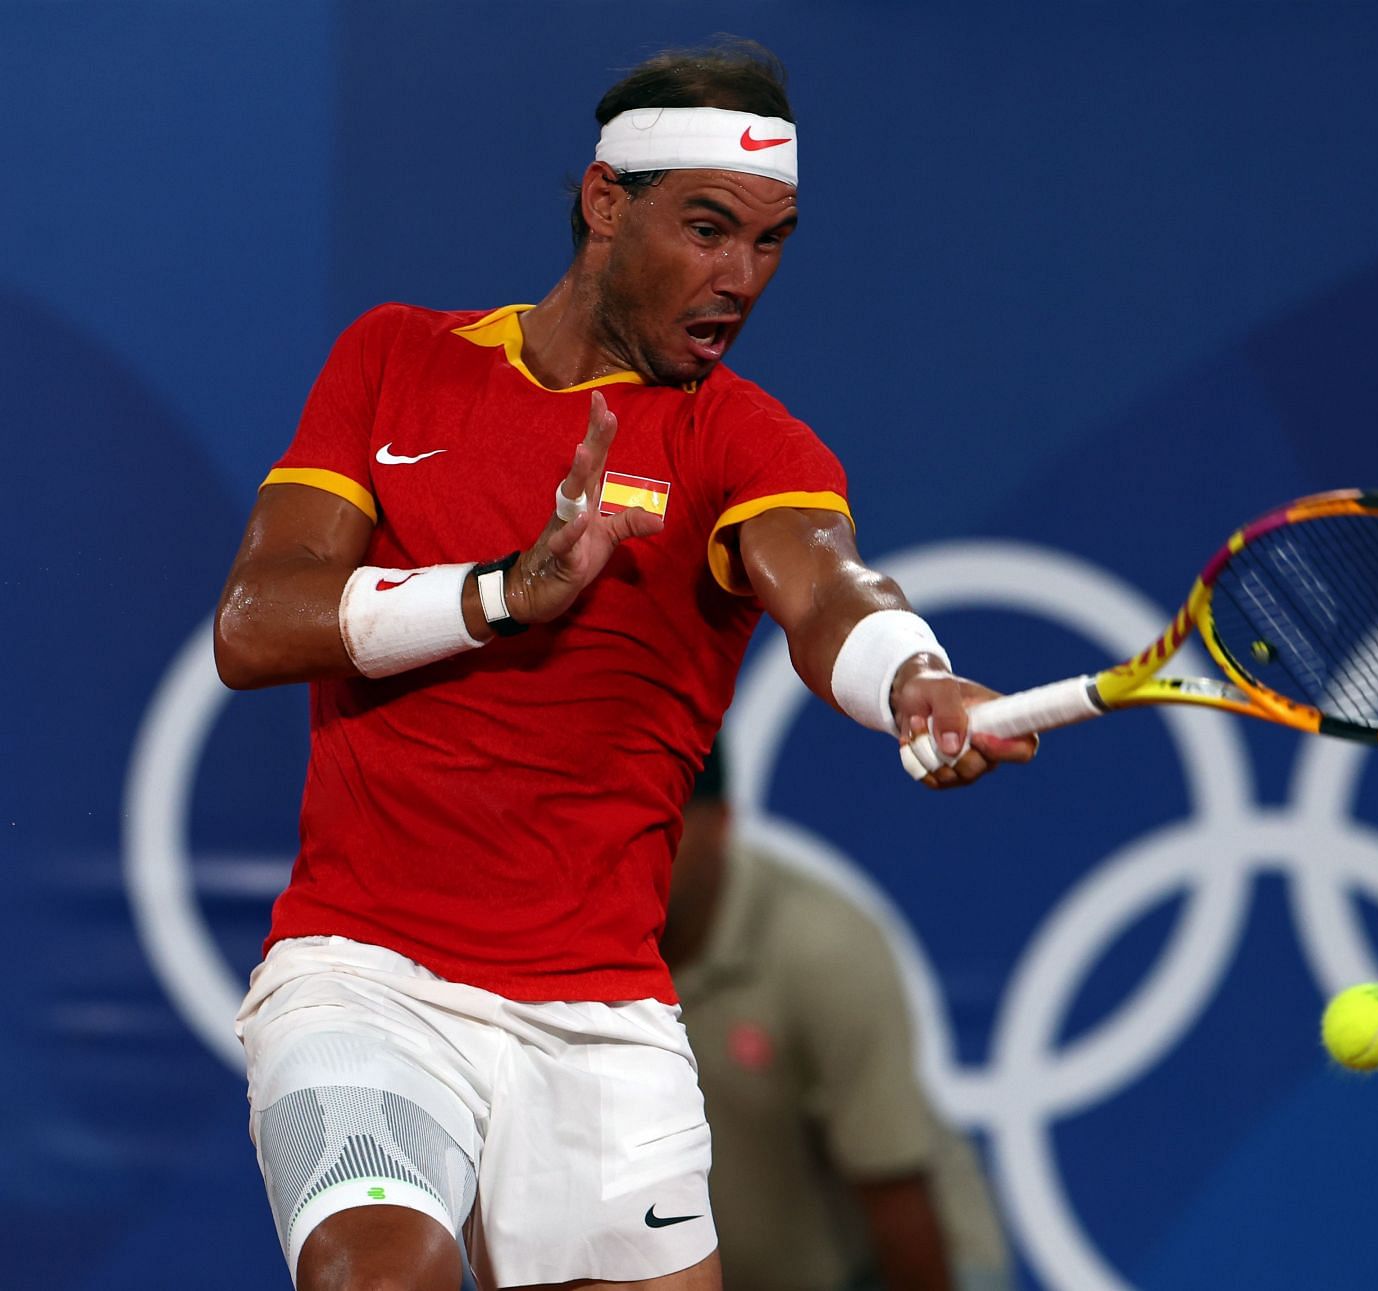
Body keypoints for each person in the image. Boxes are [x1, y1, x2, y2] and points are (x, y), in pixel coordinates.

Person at [212, 39, 1035, 1291]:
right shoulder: (396, 361)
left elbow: (831, 591)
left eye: (770, 242)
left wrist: (912, 673)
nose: (739, 278)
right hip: (365, 978)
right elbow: (257, 621)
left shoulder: (744, 441)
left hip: (603, 1020)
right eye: (708, 229)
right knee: (380, 1277)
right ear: (607, 202)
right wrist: (500, 596)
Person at [661, 743, 1012, 1291]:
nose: (629, 851)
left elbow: (897, 1196)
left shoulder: (822, 949)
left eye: (661, 824)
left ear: (721, 823)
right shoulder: (567, 940)